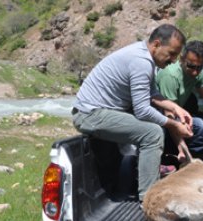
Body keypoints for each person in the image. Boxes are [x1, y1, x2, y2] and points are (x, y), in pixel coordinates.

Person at [71, 24, 193, 201]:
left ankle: (144, 181)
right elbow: (142, 110)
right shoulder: (141, 62)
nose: (173, 60)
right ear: (157, 44)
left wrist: (176, 108)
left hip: (100, 111)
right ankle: (149, 198)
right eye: (172, 53)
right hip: (90, 114)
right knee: (152, 133)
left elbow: (151, 94)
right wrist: (174, 124)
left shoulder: (145, 58)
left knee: (155, 124)